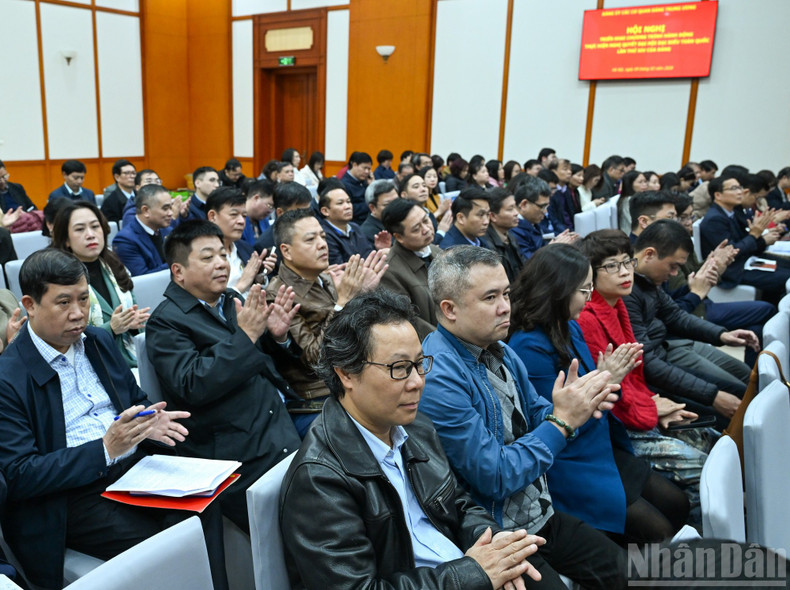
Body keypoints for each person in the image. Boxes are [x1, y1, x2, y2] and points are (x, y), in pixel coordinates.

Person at [280, 289, 545, 589]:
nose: (418, 382)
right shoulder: (319, 479)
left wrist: (494, 543)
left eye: (419, 364)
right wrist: (473, 574)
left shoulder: (415, 427)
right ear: (346, 374)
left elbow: (457, 504)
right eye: (400, 368)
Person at [0, 249, 228, 590]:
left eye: (83, 299)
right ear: (30, 305)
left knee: (204, 508)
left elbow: (134, 401)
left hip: (133, 468)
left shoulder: (98, 340)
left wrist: (149, 420)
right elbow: (19, 474)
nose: (79, 314)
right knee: (168, 544)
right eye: (63, 303)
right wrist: (105, 449)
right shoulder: (9, 376)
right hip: (70, 497)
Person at [420, 246, 627, 589]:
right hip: (495, 535)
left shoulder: (500, 349)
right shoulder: (439, 375)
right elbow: (495, 476)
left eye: (506, 294)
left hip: (540, 514)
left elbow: (536, 415)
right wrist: (563, 421)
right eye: (490, 298)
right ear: (449, 309)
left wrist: (575, 406)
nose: (505, 307)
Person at [508, 244, 688, 543]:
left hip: (598, 442)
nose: (589, 297)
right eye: (583, 290)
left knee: (676, 502)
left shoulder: (567, 326)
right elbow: (555, 422)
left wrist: (605, 381)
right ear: (557, 290)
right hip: (569, 461)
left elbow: (593, 394)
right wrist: (606, 380)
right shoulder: (529, 346)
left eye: (590, 288)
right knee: (657, 532)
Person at [145, 220, 302, 531]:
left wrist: (277, 337)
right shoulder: (165, 323)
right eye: (207, 258)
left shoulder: (229, 299)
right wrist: (246, 336)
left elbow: (259, 359)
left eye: (222, 254)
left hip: (275, 420)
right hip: (234, 446)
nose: (220, 264)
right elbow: (191, 384)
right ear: (179, 272)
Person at [577, 229, 713, 524]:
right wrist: (652, 408)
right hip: (618, 426)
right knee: (708, 470)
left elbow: (633, 377)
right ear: (591, 273)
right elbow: (610, 388)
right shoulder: (587, 318)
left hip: (639, 406)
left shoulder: (619, 304)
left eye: (628, 262)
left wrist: (653, 403)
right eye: (612, 266)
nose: (625, 272)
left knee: (711, 441)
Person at [267, 208, 387, 436]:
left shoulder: (326, 277)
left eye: (322, 236)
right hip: (319, 396)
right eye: (310, 239)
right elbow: (314, 358)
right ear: (287, 251)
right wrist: (343, 302)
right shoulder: (279, 294)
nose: (322, 244)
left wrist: (363, 296)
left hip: (355, 380)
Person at [626, 220, 757, 430]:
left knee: (744, 390)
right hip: (655, 376)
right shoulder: (628, 290)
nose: (675, 274)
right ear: (649, 254)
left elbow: (675, 315)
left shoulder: (646, 281)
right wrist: (712, 396)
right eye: (673, 266)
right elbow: (647, 363)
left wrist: (722, 335)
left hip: (664, 359)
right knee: (735, 411)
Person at [667, 195, 776, 368]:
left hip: (702, 302)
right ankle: (755, 376)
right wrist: (714, 267)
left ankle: (756, 373)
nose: (688, 222)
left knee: (757, 325)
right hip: (695, 310)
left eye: (690, 216)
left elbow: (696, 274)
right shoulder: (668, 247)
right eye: (682, 218)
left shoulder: (682, 239)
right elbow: (687, 289)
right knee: (767, 309)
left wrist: (715, 263)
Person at [51, 202, 149, 368]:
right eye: (80, 229)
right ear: (66, 239)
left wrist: (132, 324)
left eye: (95, 227)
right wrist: (110, 328)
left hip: (129, 354)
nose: (90, 235)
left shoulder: (115, 266)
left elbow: (131, 313)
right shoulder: (58, 279)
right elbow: (61, 336)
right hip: (89, 364)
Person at [700, 173, 790, 305]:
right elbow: (731, 252)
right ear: (718, 195)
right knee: (785, 278)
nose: (740, 192)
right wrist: (755, 235)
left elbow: (748, 241)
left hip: (746, 261)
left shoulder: (732, 212)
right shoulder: (715, 219)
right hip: (732, 271)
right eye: (734, 188)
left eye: (740, 187)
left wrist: (761, 237)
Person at [380, 198, 441, 340]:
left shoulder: (436, 252)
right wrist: (447, 339)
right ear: (399, 237)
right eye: (416, 229)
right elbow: (408, 320)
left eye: (426, 221)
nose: (426, 230)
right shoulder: (389, 272)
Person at [206, 186, 270, 296]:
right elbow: (207, 302)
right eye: (234, 215)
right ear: (212, 216)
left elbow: (254, 285)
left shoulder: (245, 248)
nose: (241, 221)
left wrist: (259, 276)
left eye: (244, 216)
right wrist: (242, 285)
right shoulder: (202, 256)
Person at [510, 176, 578, 260]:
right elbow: (527, 264)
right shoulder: (512, 228)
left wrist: (561, 238)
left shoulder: (532, 221)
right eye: (542, 207)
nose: (546, 212)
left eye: (547, 206)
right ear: (524, 204)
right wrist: (552, 248)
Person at [112, 184, 173, 276]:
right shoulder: (125, 240)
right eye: (165, 208)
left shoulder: (168, 230)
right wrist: (177, 262)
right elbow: (143, 278)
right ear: (146, 211)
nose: (171, 213)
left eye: (171, 207)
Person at [318, 180, 380, 265]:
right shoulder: (324, 235)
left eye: (348, 201)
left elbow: (369, 255)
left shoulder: (355, 227)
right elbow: (340, 268)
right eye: (340, 203)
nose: (347, 206)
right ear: (325, 211)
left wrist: (379, 250)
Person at [486, 187, 525, 283]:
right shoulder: (487, 246)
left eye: (515, 207)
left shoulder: (510, 235)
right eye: (510, 209)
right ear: (493, 216)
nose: (516, 213)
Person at [359, 178, 397, 246]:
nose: (395, 207)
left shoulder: (400, 221)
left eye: (397, 201)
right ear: (373, 208)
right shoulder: (367, 233)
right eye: (387, 204)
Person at [341, 151, 373, 223]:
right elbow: (349, 209)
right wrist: (371, 204)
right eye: (364, 168)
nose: (367, 172)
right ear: (354, 165)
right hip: (356, 222)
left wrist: (372, 186)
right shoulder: (344, 184)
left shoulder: (365, 181)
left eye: (369, 169)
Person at [240, 179, 275, 246]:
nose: (270, 211)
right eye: (269, 205)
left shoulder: (264, 220)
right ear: (256, 198)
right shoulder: (238, 220)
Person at [616, 170, 649, 234]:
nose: (645, 185)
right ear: (630, 184)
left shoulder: (640, 199)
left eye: (645, 181)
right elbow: (632, 222)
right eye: (640, 182)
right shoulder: (628, 200)